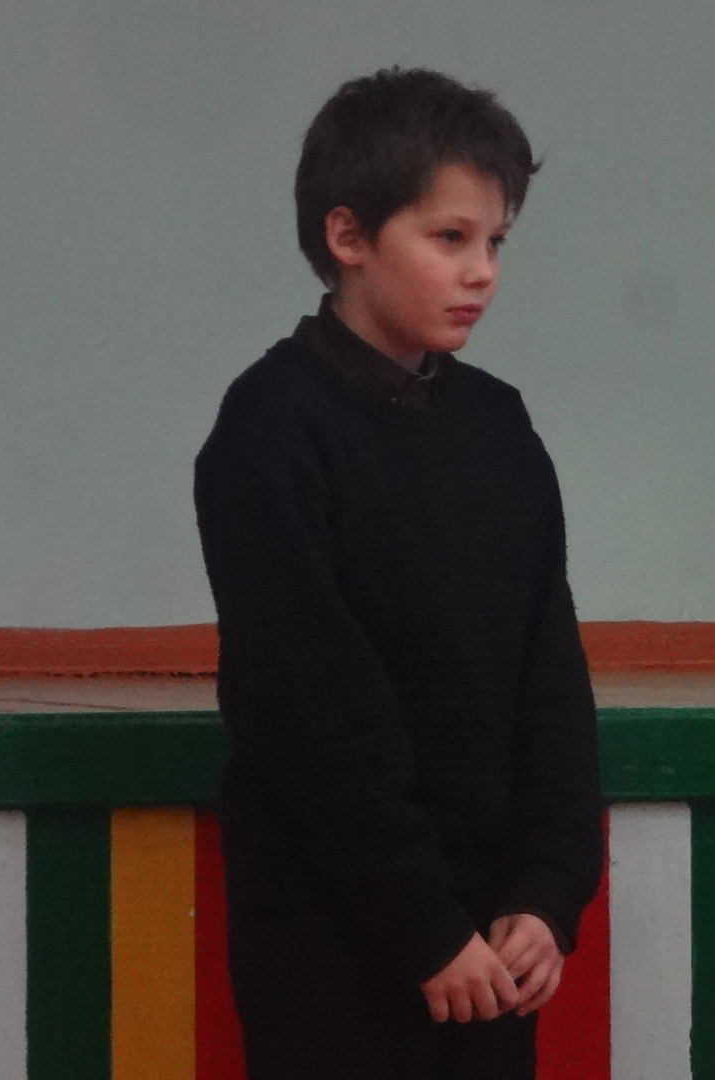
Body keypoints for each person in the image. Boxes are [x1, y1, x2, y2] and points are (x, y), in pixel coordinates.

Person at [194, 68, 601, 1080]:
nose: (482, 273)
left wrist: (546, 894)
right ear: (349, 235)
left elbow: (551, 678)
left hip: (495, 944)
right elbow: (309, 712)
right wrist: (425, 929)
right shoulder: (271, 430)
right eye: (450, 237)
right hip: (335, 947)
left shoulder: (499, 424)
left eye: (496, 242)